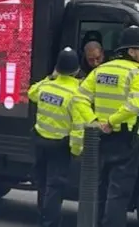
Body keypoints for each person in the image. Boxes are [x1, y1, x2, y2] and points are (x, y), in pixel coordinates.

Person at [75, 25, 139, 227]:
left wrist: (93, 122)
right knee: (118, 193)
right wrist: (111, 122)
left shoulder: (101, 70)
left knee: (100, 189)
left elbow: (78, 98)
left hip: (101, 138)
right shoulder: (137, 74)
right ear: (131, 51)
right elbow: (136, 105)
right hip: (125, 139)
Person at [28, 47, 97, 227]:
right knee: (55, 187)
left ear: (57, 68)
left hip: (40, 142)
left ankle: (42, 218)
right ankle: (50, 223)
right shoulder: (77, 93)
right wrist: (76, 151)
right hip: (59, 147)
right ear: (76, 70)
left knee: (43, 184)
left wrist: (50, 76)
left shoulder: (46, 86)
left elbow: (31, 93)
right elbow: (77, 127)